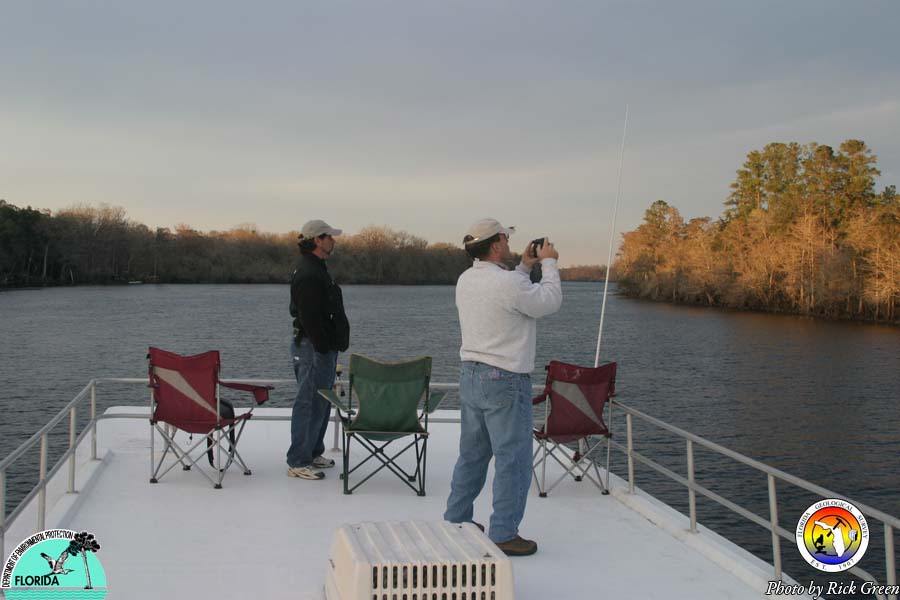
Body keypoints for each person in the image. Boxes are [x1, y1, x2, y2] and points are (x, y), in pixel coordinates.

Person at [444, 218, 562, 556]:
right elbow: (548, 301)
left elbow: (511, 290)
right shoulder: (507, 284)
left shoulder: (466, 279)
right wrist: (549, 262)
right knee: (514, 459)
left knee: (472, 454)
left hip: (471, 375)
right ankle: (504, 533)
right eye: (506, 239)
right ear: (495, 244)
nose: (510, 244)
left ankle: (456, 520)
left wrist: (525, 265)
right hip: (505, 379)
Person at [286, 219, 350, 480]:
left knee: (321, 401)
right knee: (307, 401)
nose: (334, 240)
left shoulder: (317, 268)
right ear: (317, 240)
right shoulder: (309, 273)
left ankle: (312, 452)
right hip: (313, 348)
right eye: (330, 237)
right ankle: (298, 461)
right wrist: (323, 347)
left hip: (321, 348)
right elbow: (309, 316)